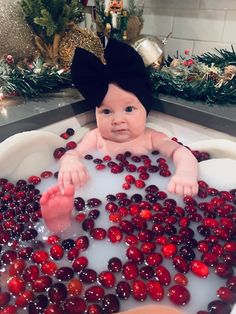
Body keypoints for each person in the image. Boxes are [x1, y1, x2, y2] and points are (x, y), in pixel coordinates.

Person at [40, 38, 198, 232]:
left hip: (144, 205)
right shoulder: (96, 137)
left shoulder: (151, 138)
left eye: (129, 109)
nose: (117, 120)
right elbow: (72, 154)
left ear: (145, 110)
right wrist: (71, 162)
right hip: (100, 203)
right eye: (106, 112)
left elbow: (180, 153)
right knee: (82, 211)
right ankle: (60, 222)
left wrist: (185, 175)